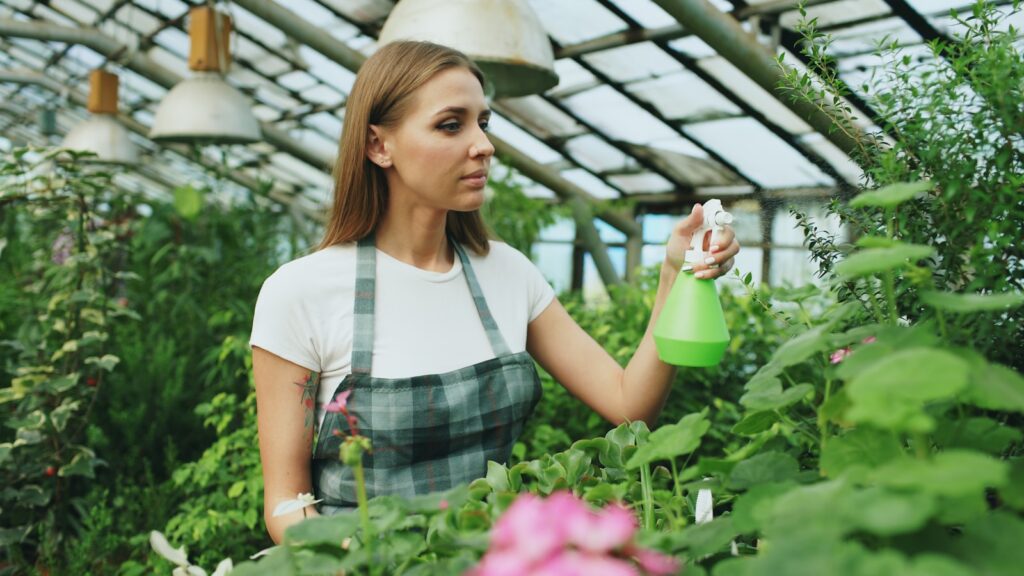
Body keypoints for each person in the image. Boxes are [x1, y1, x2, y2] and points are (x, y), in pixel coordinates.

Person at [250, 41, 740, 543]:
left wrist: (674, 274)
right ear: (379, 146)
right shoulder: (302, 292)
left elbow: (628, 404)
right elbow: (286, 505)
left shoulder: (506, 272)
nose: (483, 145)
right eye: (450, 124)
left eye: (483, 123)